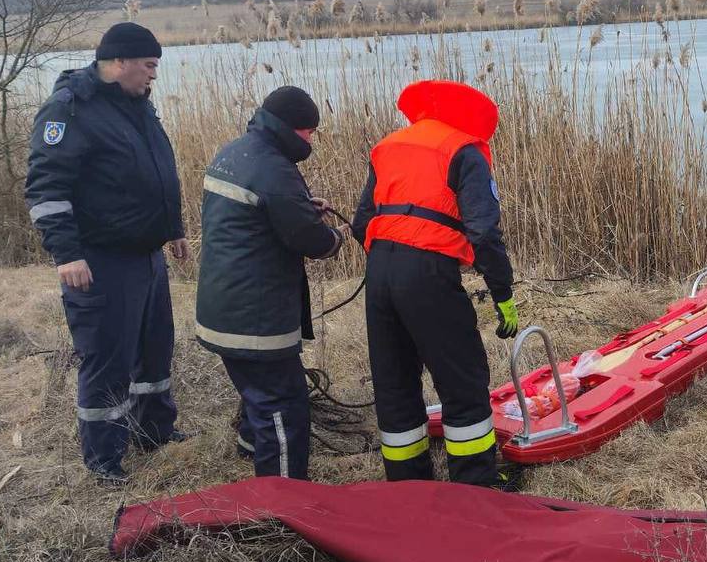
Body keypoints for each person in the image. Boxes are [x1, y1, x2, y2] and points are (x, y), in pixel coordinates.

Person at [25, 22, 188, 485]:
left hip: (146, 254)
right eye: (148, 66)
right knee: (108, 357)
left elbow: (159, 169)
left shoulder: (136, 106)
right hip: (99, 259)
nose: (154, 75)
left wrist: (173, 229)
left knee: (154, 349)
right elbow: (46, 189)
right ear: (118, 63)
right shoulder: (70, 110)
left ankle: (154, 431)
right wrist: (66, 253)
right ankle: (104, 457)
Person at [352, 79, 517, 488]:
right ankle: (476, 487)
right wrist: (503, 294)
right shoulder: (465, 151)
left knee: (394, 381)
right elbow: (483, 233)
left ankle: (409, 488)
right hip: (427, 274)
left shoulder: (388, 146)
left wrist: (392, 262)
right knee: (463, 380)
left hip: (380, 274)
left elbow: (360, 224)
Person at [195, 86, 348, 481]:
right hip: (254, 318)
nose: (312, 140)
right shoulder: (274, 169)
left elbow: (258, 214)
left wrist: (299, 207)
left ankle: (251, 449)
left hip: (223, 306)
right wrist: (335, 238)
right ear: (290, 128)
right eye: (309, 132)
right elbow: (309, 240)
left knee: (257, 392)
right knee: (284, 403)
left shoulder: (236, 152)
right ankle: (282, 499)